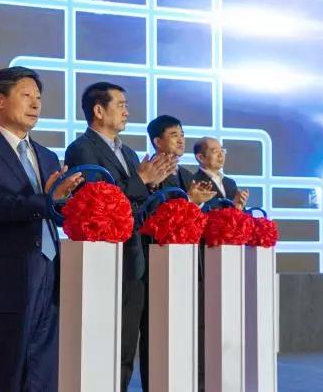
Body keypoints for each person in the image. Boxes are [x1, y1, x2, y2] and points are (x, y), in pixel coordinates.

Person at [0, 66, 82, 392]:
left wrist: (68, 203)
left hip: (49, 273)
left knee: (44, 374)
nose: (35, 104)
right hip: (5, 279)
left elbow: (52, 212)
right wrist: (45, 200)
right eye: (26, 95)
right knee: (5, 375)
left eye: (38, 97)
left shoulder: (48, 156)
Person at [64, 82, 176, 392]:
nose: (127, 111)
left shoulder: (128, 152)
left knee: (126, 347)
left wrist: (152, 186)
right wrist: (141, 179)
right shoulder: (82, 148)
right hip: (103, 261)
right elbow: (98, 202)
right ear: (99, 111)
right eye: (121, 105)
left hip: (133, 258)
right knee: (103, 347)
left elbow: (135, 203)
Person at [141, 115, 216, 392]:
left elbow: (191, 217)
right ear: (158, 141)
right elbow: (153, 217)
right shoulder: (149, 172)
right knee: (159, 335)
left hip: (186, 263)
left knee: (186, 334)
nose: (181, 139)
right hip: (159, 263)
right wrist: (189, 202)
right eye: (174, 135)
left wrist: (197, 205)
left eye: (182, 134)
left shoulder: (186, 175)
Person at [192, 137, 249, 209]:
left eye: (222, 150)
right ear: (201, 157)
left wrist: (238, 208)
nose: (221, 155)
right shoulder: (193, 182)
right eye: (215, 151)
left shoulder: (230, 183)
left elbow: (240, 212)